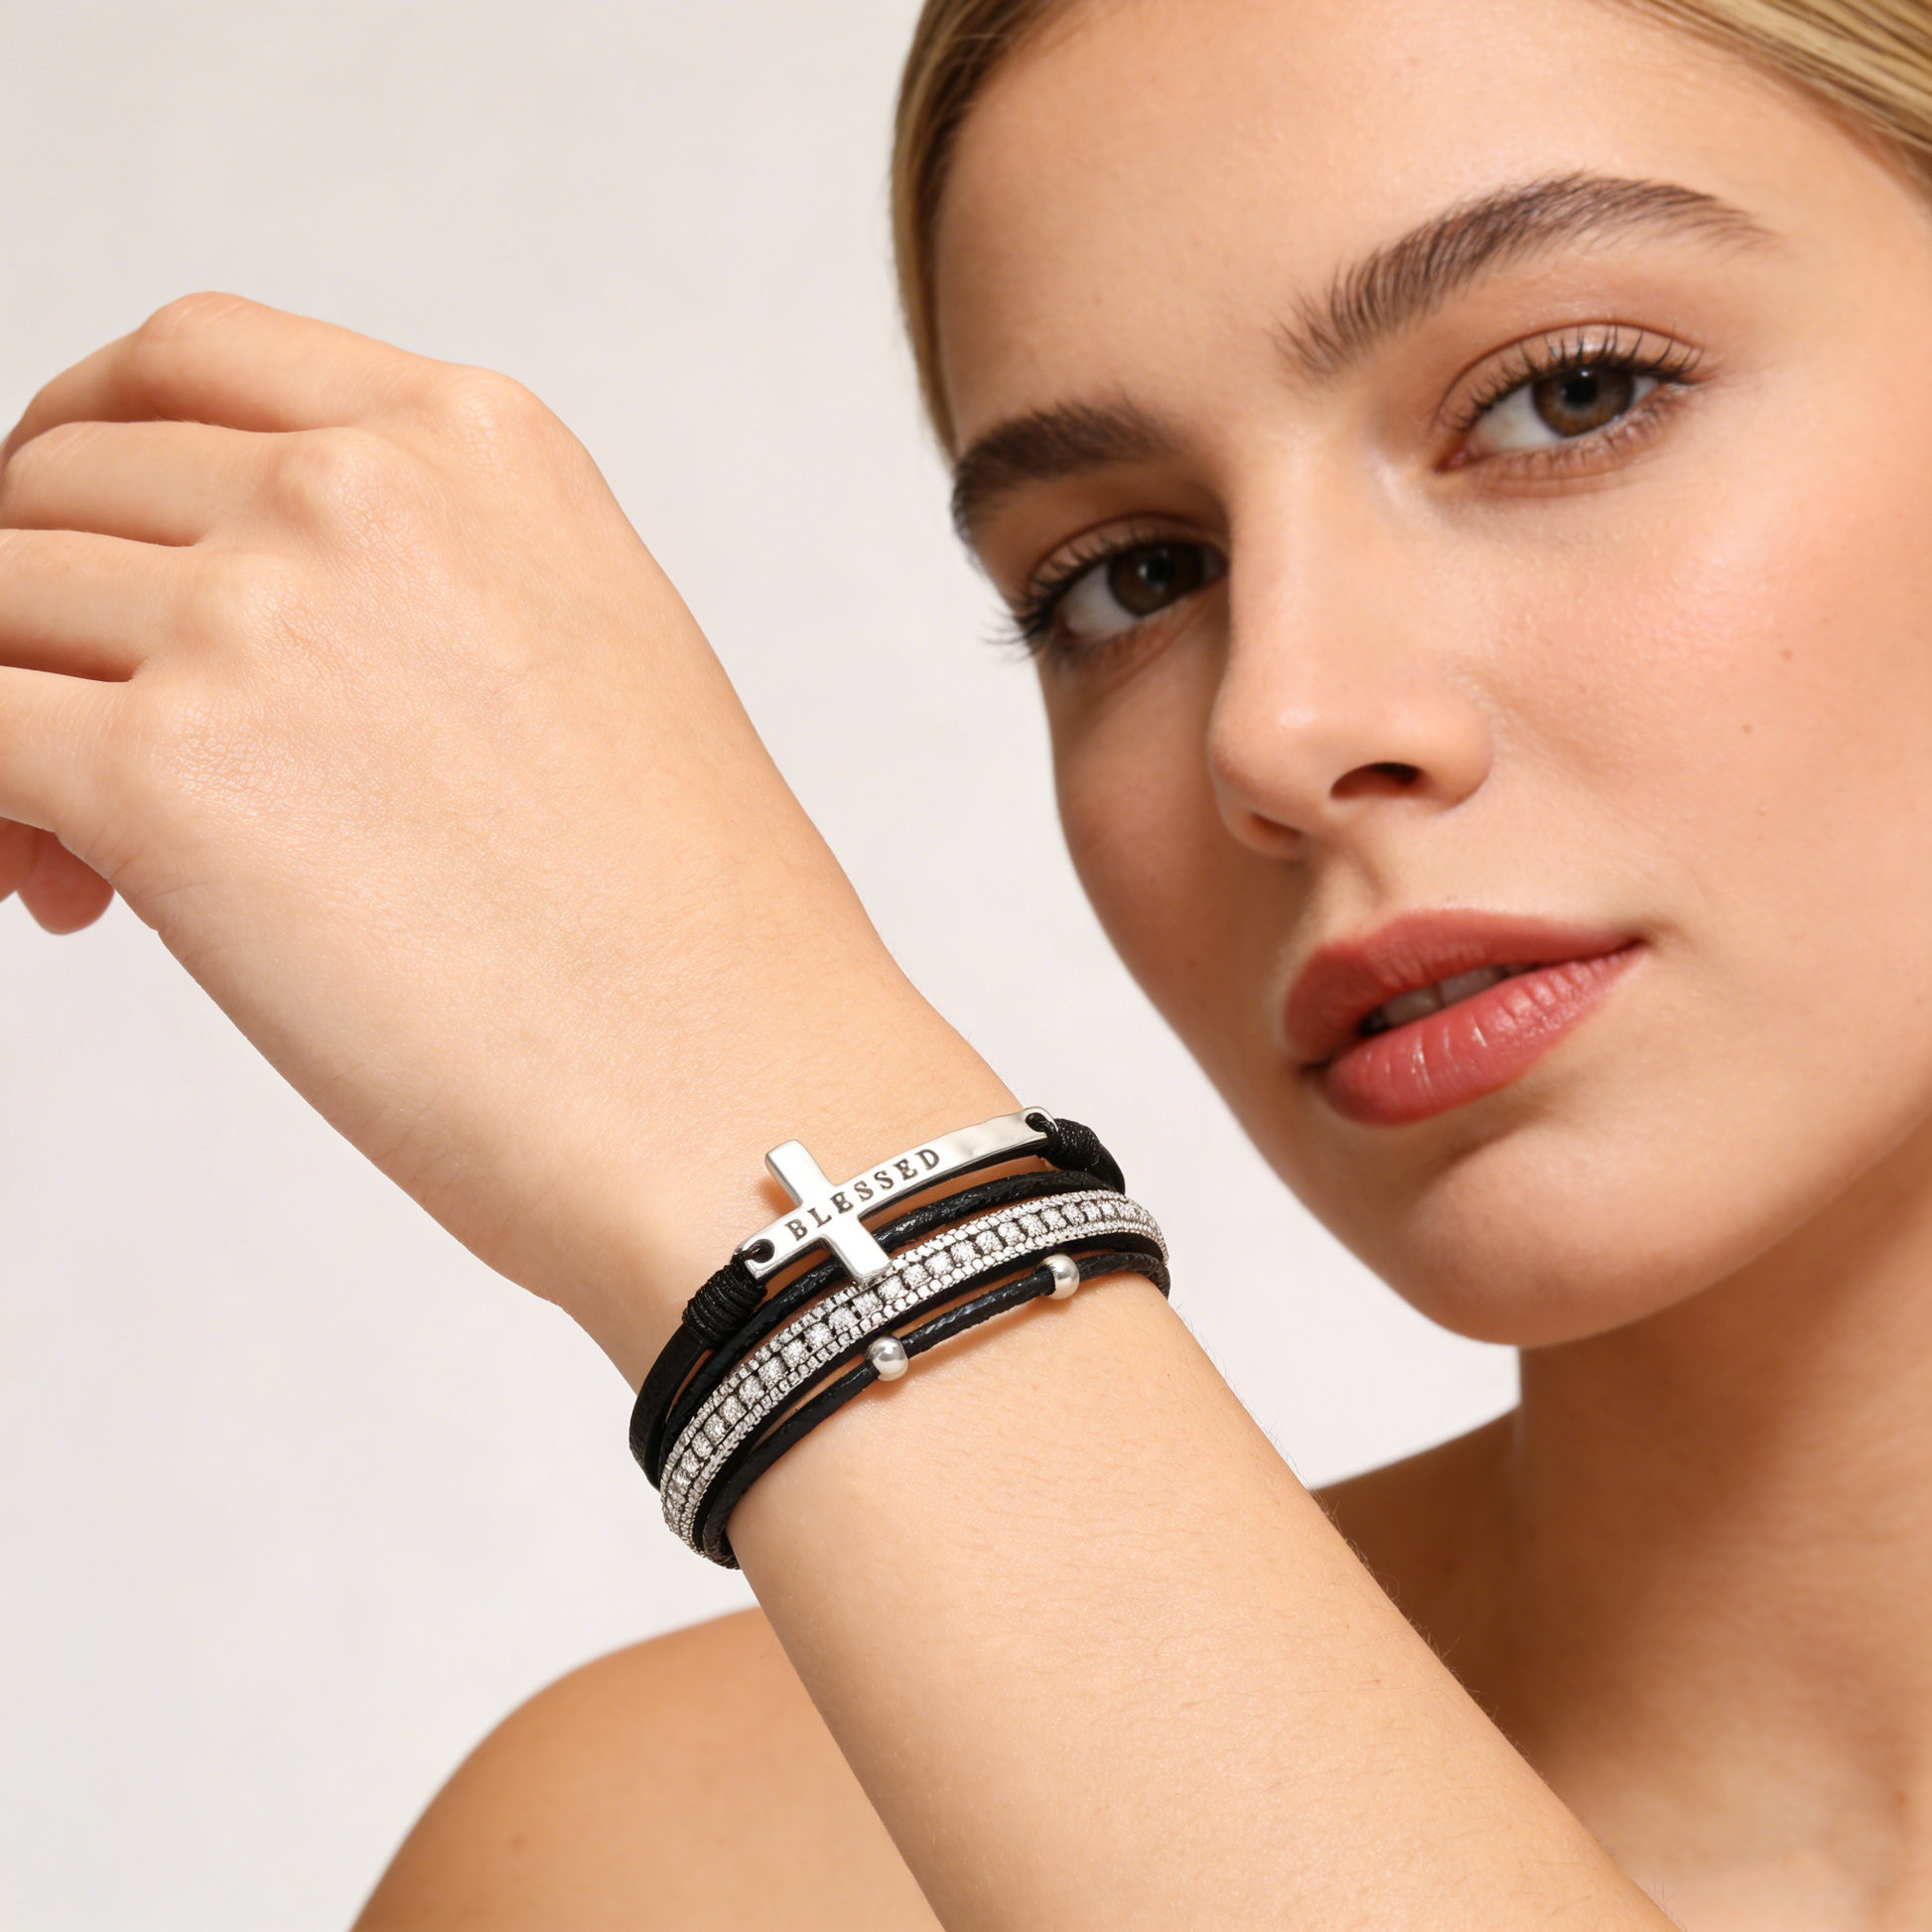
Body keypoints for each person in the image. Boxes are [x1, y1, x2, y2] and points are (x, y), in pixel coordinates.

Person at [6, 0, 1932, 1920]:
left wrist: (783, 1114)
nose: (1270, 724)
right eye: (1130, 575)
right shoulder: (673, 1876)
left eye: (1568, 396)